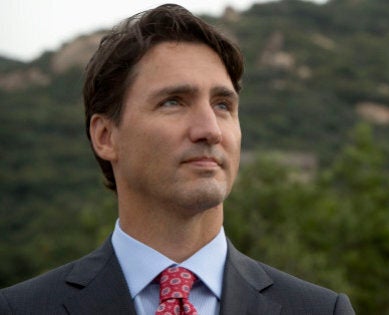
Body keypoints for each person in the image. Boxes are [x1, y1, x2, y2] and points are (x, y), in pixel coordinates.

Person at [0, 4, 354, 315]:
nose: (210, 130)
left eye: (223, 105)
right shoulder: (19, 309)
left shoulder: (321, 310)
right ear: (106, 137)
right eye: (174, 101)